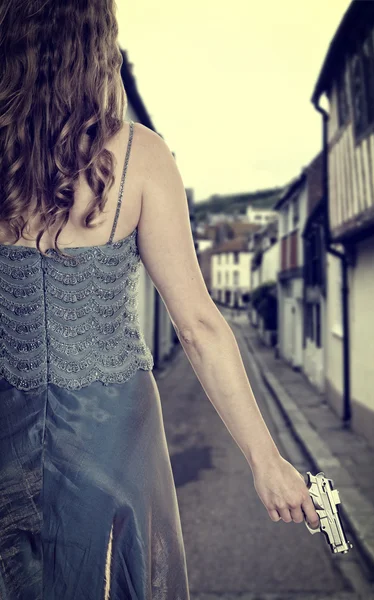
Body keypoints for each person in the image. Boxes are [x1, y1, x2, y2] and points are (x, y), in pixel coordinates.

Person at [0, 1, 320, 598]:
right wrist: (265, 461)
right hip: (112, 433)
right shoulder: (142, 155)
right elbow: (199, 325)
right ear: (98, 45)